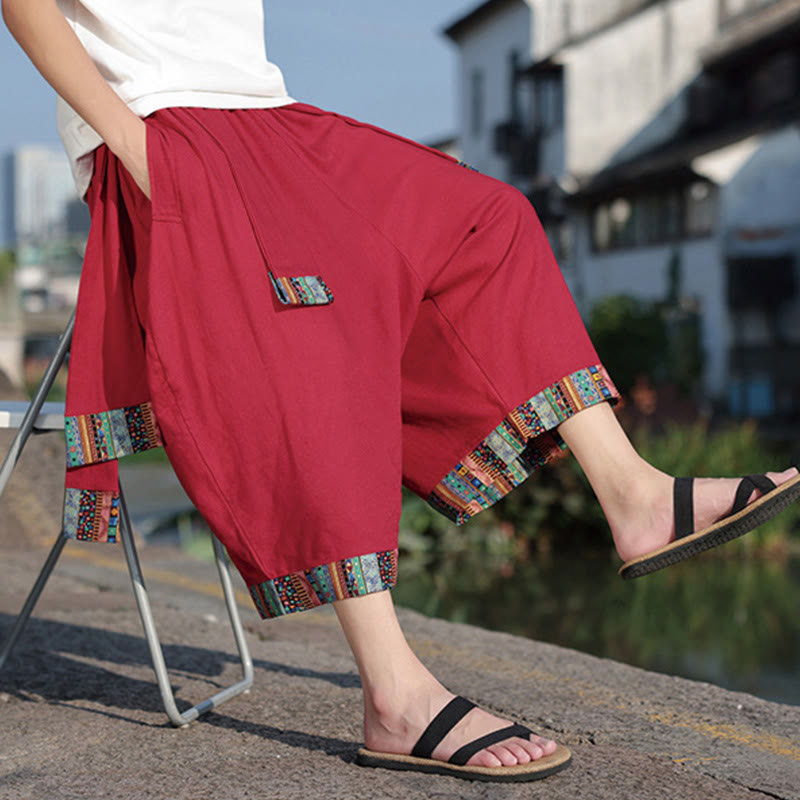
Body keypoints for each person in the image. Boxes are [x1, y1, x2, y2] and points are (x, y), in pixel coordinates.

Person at [4, 0, 799, 784]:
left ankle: (637, 496)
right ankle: (396, 694)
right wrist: (136, 146)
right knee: (308, 347)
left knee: (488, 219)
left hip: (267, 113)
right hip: (165, 127)